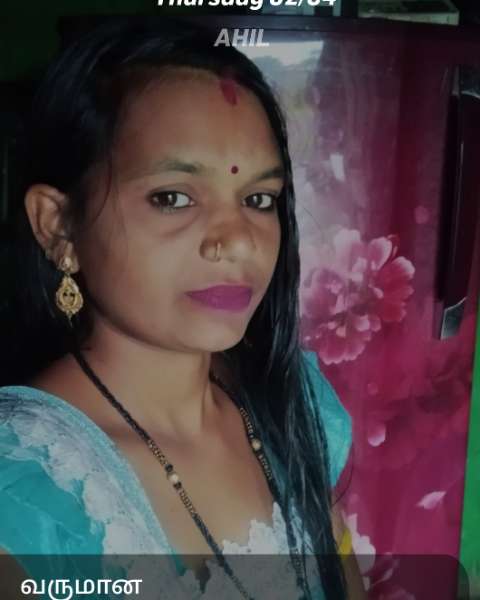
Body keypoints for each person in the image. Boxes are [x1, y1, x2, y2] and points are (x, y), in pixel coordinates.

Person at [0, 18, 365, 600]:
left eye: (259, 199)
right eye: (172, 198)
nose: (238, 241)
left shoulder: (289, 403)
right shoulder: (27, 493)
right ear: (58, 225)